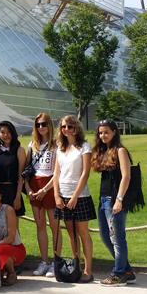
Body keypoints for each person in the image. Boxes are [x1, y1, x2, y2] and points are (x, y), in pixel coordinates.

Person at [91, 119, 137, 286]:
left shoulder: (120, 150)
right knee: (105, 236)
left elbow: (126, 176)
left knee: (117, 238)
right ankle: (127, 271)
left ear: (114, 132)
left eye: (106, 132)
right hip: (103, 199)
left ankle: (119, 274)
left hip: (115, 199)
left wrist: (119, 200)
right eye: (101, 133)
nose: (103, 135)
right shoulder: (105, 151)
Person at [53, 115, 95, 283]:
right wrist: (56, 195)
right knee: (71, 233)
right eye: (64, 127)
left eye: (70, 126)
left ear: (76, 128)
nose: (67, 129)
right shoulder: (60, 148)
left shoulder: (84, 147)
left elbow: (85, 173)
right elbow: (56, 173)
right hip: (62, 195)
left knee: (83, 233)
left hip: (80, 196)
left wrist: (76, 196)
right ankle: (75, 265)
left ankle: (88, 270)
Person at [25, 113, 60, 277]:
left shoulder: (57, 145)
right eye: (38, 124)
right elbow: (26, 170)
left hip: (50, 186)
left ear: (49, 125)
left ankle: (56, 261)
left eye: (44, 124)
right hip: (35, 184)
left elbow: (58, 171)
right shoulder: (32, 145)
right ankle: (44, 262)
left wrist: (45, 189)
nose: (41, 127)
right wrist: (28, 188)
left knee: (54, 227)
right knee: (40, 226)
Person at [0, 121, 26, 217]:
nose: (6, 135)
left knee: (12, 226)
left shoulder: (19, 150)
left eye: (8, 132)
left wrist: (18, 197)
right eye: (2, 132)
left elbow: (21, 176)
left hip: (12, 191)